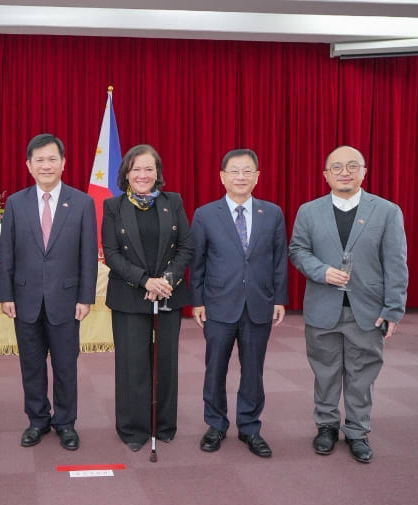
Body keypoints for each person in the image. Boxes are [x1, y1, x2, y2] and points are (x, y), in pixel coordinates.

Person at [289, 145, 408, 464]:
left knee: (362, 374)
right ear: (326, 174)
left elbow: (396, 262)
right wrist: (321, 271)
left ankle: (357, 431)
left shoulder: (387, 211)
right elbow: (297, 251)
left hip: (367, 312)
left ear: (364, 172)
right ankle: (326, 426)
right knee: (325, 372)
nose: (345, 171)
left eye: (352, 166)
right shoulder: (309, 211)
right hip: (322, 307)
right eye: (337, 167)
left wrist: (393, 308)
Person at [0, 133, 98, 451]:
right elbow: (7, 252)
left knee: (66, 364)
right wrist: (6, 295)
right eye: (39, 159)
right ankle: (38, 420)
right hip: (25, 299)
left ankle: (65, 423)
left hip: (67, 301)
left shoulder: (81, 203)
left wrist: (85, 297)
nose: (46, 165)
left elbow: (87, 255)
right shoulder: (15, 203)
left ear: (63, 163)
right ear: (29, 165)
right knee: (31, 364)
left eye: (52, 158)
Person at [190, 148, 287, 458]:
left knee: (253, 371)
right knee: (215, 368)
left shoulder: (272, 213)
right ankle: (216, 425)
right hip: (218, 304)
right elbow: (198, 262)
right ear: (222, 177)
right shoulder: (205, 214)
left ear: (258, 177)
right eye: (235, 171)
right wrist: (197, 301)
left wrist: (279, 298)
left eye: (248, 171)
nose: (241, 177)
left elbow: (279, 260)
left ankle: (249, 427)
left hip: (259, 303)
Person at [102, 144, 194, 451]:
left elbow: (186, 248)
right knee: (132, 363)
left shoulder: (173, 202)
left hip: (168, 294)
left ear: (158, 173)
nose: (143, 175)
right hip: (129, 295)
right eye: (136, 169)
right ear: (126, 173)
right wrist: (145, 281)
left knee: (165, 361)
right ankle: (132, 428)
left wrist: (166, 280)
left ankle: (163, 424)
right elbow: (112, 254)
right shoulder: (113, 207)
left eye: (149, 169)